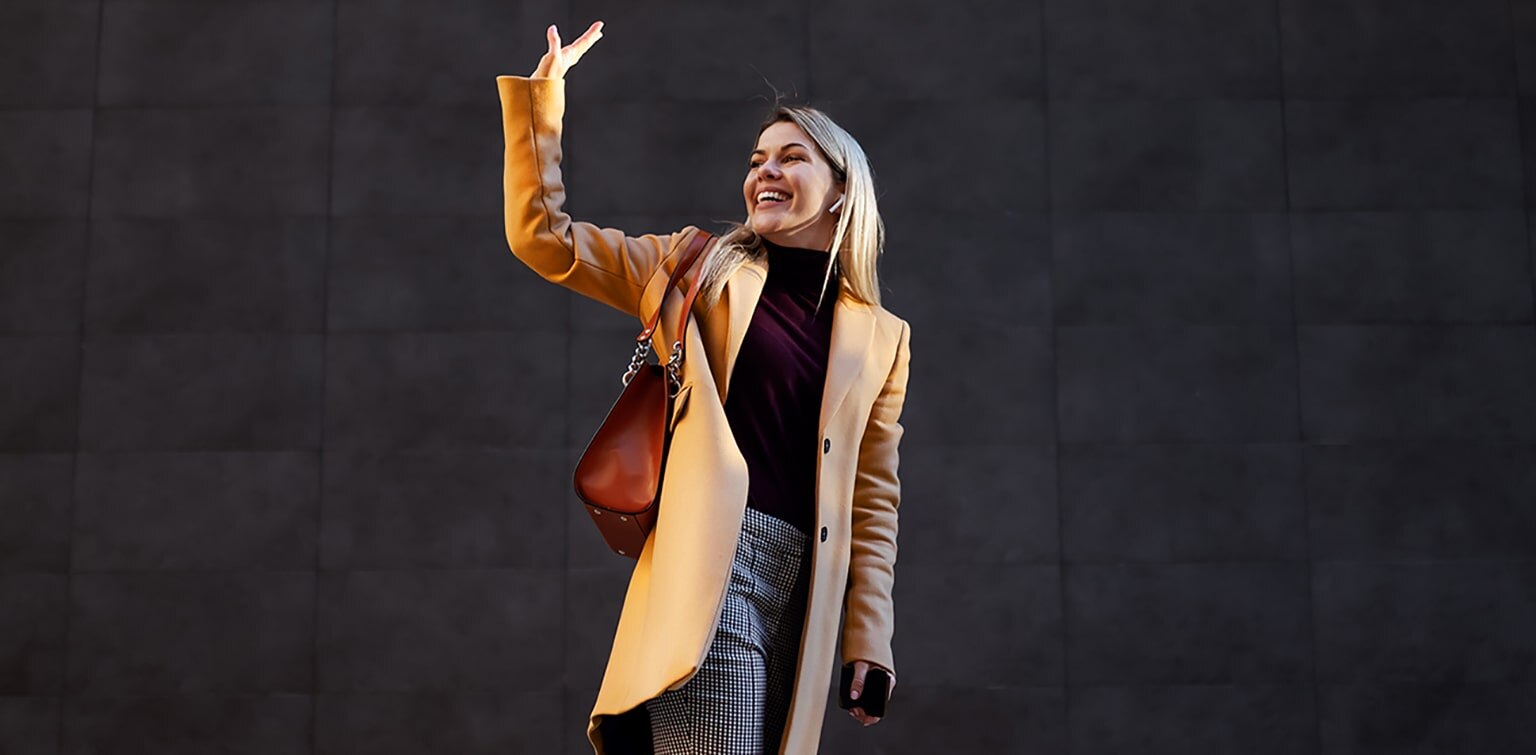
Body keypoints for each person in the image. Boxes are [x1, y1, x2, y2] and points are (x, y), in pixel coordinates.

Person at [497, 20, 912, 755]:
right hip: (714, 566)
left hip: (804, 595)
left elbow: (873, 498)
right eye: (757, 160)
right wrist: (544, 100)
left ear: (843, 191)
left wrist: (867, 639)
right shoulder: (699, 266)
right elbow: (544, 239)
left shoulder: (882, 337)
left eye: (792, 157)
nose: (765, 172)